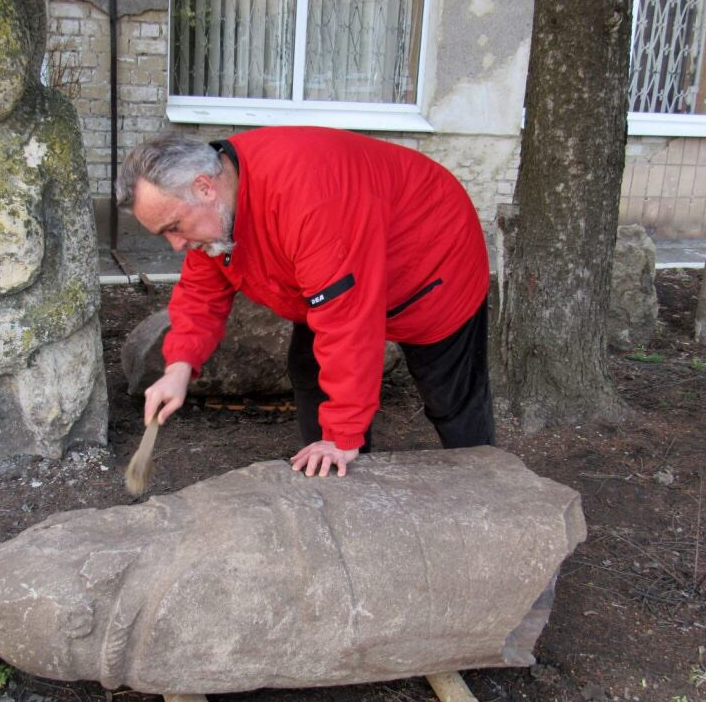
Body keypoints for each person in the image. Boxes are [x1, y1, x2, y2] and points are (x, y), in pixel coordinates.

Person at [116, 126, 493, 477]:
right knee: (310, 367)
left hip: (432, 260)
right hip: (342, 269)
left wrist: (342, 433)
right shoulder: (218, 206)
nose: (176, 245)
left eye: (173, 228)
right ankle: (338, 477)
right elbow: (201, 293)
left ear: (204, 187)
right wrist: (178, 368)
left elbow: (348, 321)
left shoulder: (309, 197)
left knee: (449, 396)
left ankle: (490, 492)